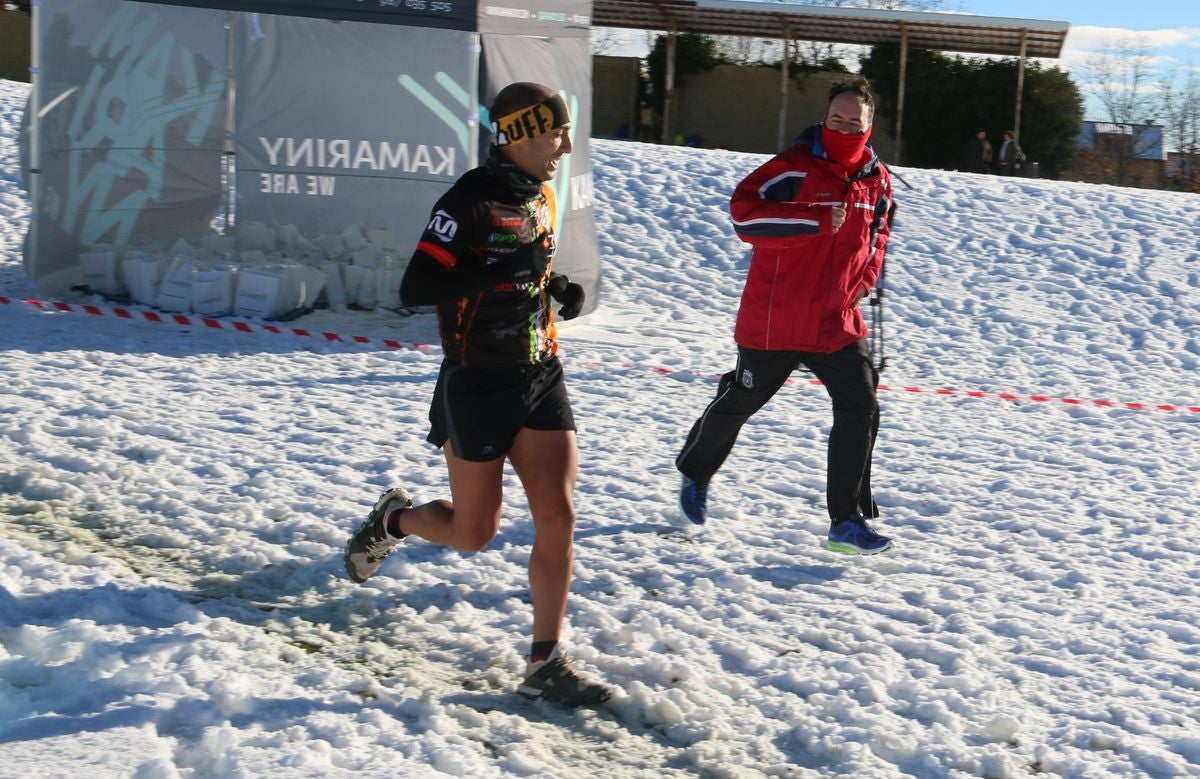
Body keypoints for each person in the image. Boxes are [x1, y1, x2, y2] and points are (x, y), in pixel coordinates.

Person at [343, 82, 610, 707]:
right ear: (517, 135)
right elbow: (416, 286)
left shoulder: (540, 196)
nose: (565, 146)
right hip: (477, 382)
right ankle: (394, 520)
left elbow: (528, 273)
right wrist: (497, 274)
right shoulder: (468, 200)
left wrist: (557, 290)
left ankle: (545, 660)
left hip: (541, 374)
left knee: (559, 516)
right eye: (553, 134)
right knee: (473, 532)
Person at [675, 75, 896, 556]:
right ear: (824, 119)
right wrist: (812, 220)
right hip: (775, 319)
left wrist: (863, 281)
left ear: (869, 125)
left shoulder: (877, 180)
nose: (844, 126)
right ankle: (695, 469)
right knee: (742, 401)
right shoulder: (792, 168)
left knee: (861, 404)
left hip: (836, 321)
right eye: (836, 118)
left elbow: (879, 234)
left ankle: (845, 520)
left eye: (853, 120)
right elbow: (743, 215)